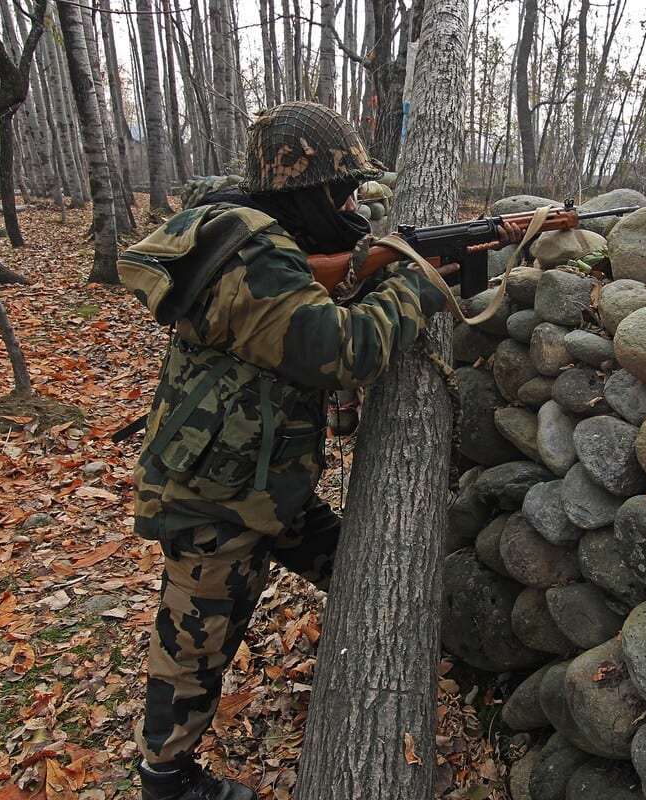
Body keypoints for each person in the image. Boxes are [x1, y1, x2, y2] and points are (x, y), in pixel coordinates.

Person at [120, 102, 453, 800]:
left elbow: (309, 292)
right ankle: (167, 778)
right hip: (214, 496)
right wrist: (415, 283)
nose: (351, 206)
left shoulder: (255, 234)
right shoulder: (251, 253)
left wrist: (376, 267)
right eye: (342, 192)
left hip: (261, 477)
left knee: (353, 557)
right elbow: (342, 350)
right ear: (305, 191)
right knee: (196, 642)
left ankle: (395, 643)